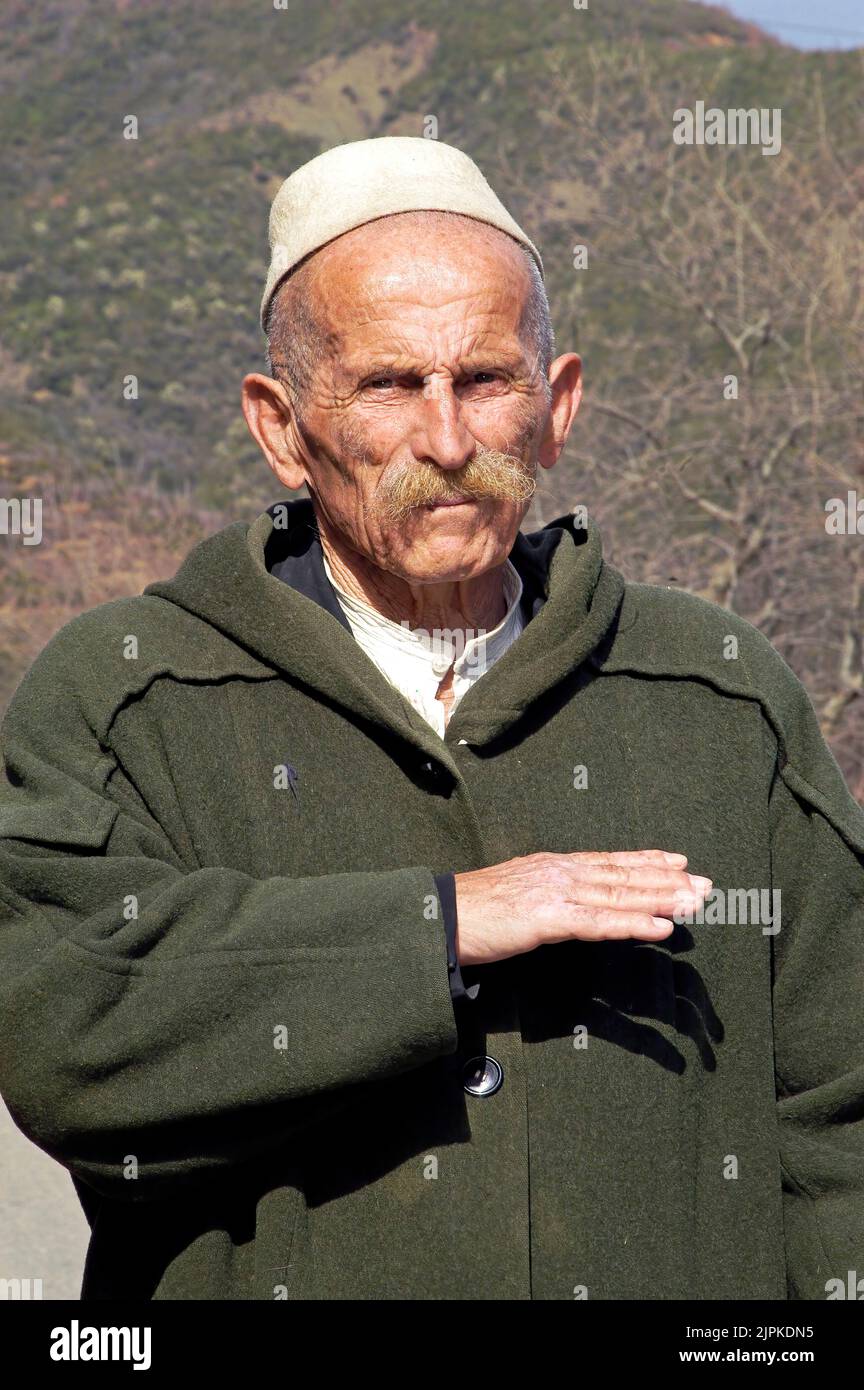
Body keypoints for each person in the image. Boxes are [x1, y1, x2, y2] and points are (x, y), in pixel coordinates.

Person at [0, 137, 861, 1301]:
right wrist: (441, 924)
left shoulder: (717, 693)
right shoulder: (126, 696)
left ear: (555, 410)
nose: (448, 441)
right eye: (390, 385)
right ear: (281, 426)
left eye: (487, 380)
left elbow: (840, 1120)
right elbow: (65, 1035)